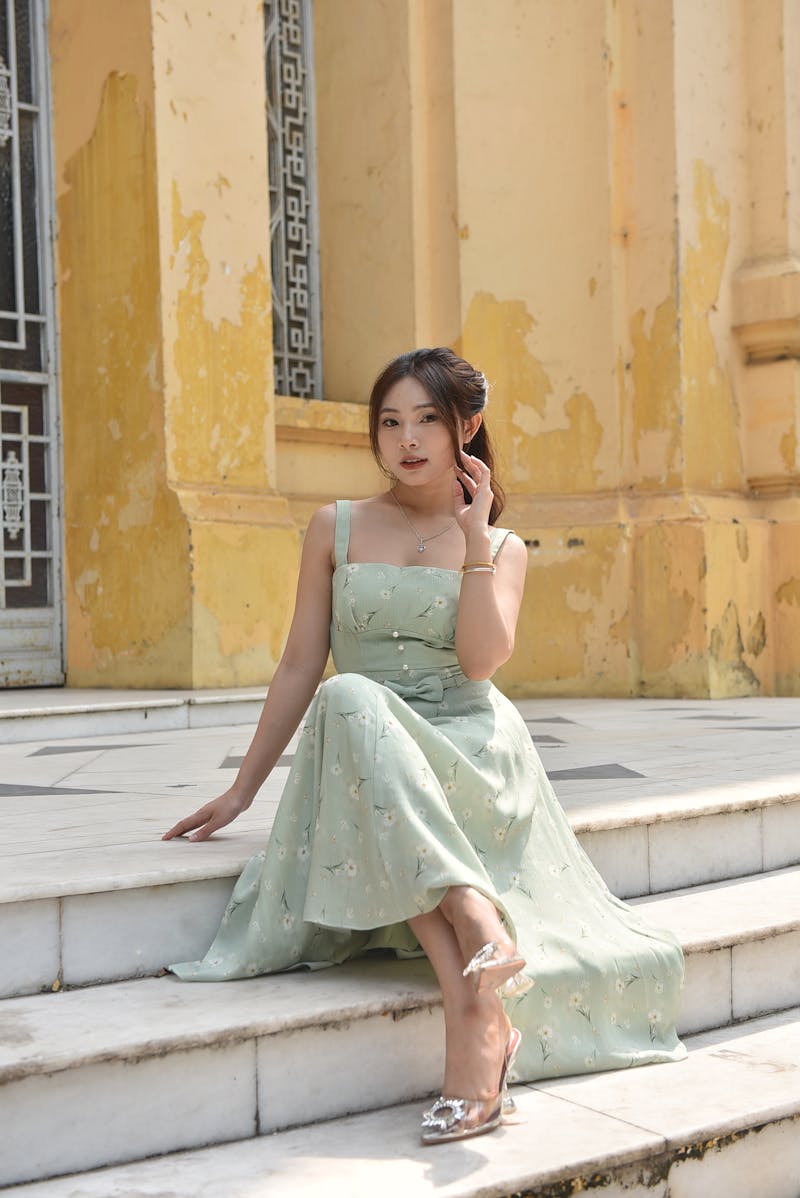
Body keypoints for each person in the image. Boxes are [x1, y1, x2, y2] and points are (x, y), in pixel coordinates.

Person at [164, 347, 686, 1145]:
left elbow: (481, 662)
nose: (406, 440)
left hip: (468, 753)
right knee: (349, 696)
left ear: (465, 428)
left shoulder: (505, 548)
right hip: (364, 745)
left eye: (427, 421)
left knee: (353, 705)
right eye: (390, 422)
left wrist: (475, 540)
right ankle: (479, 985)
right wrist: (242, 791)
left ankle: (475, 991)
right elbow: (304, 661)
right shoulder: (334, 526)